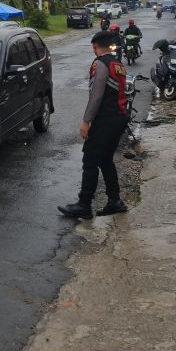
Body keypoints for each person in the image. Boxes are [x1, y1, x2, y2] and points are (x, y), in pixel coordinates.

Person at [58, 30, 129, 219]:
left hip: (106, 119)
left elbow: (96, 96)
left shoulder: (99, 64)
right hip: (120, 118)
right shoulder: (117, 63)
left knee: (90, 159)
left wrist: (86, 121)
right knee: (105, 160)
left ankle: (84, 204)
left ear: (96, 46)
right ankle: (115, 201)